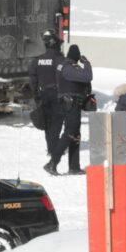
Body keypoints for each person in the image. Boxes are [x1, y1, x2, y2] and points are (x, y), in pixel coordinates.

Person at [44, 44, 92, 175]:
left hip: (71, 103)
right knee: (70, 133)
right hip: (70, 103)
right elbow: (88, 76)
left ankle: (74, 166)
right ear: (75, 56)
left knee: (75, 134)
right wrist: (87, 63)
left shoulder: (65, 66)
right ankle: (52, 162)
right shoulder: (68, 68)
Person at [28, 30, 65, 156]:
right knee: (57, 121)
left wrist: (36, 96)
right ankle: (54, 148)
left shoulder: (37, 60)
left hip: (43, 94)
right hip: (57, 95)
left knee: (48, 121)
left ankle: (50, 147)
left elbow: (33, 80)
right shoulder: (60, 59)